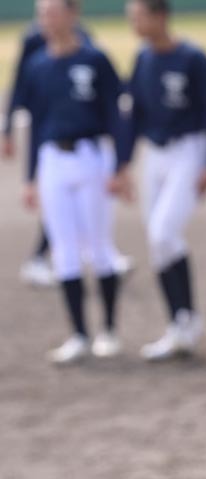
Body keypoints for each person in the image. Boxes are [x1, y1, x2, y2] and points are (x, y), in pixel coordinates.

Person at [19, 0, 129, 364]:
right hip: (53, 160)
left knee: (97, 247)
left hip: (91, 156)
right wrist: (30, 177)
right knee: (64, 250)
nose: (46, 21)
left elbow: (115, 114)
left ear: (72, 14)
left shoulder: (95, 60)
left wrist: (121, 165)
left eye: (53, 12)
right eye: (42, 14)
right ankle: (79, 334)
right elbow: (35, 123)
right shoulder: (37, 65)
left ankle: (109, 330)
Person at [4, 4, 133, 288]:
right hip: (54, 143)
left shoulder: (87, 44)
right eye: (43, 13)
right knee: (61, 212)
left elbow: (107, 101)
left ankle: (100, 255)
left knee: (87, 216)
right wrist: (8, 127)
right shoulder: (35, 46)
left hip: (88, 146)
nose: (47, 20)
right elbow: (21, 86)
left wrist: (121, 159)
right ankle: (40, 258)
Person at [124, 0, 206, 361]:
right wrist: (123, 164)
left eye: (139, 16)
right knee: (159, 240)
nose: (134, 23)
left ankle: (186, 320)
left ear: (160, 16)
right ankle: (181, 323)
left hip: (188, 150)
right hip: (156, 154)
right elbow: (135, 114)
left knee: (163, 232)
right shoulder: (143, 59)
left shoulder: (192, 57)